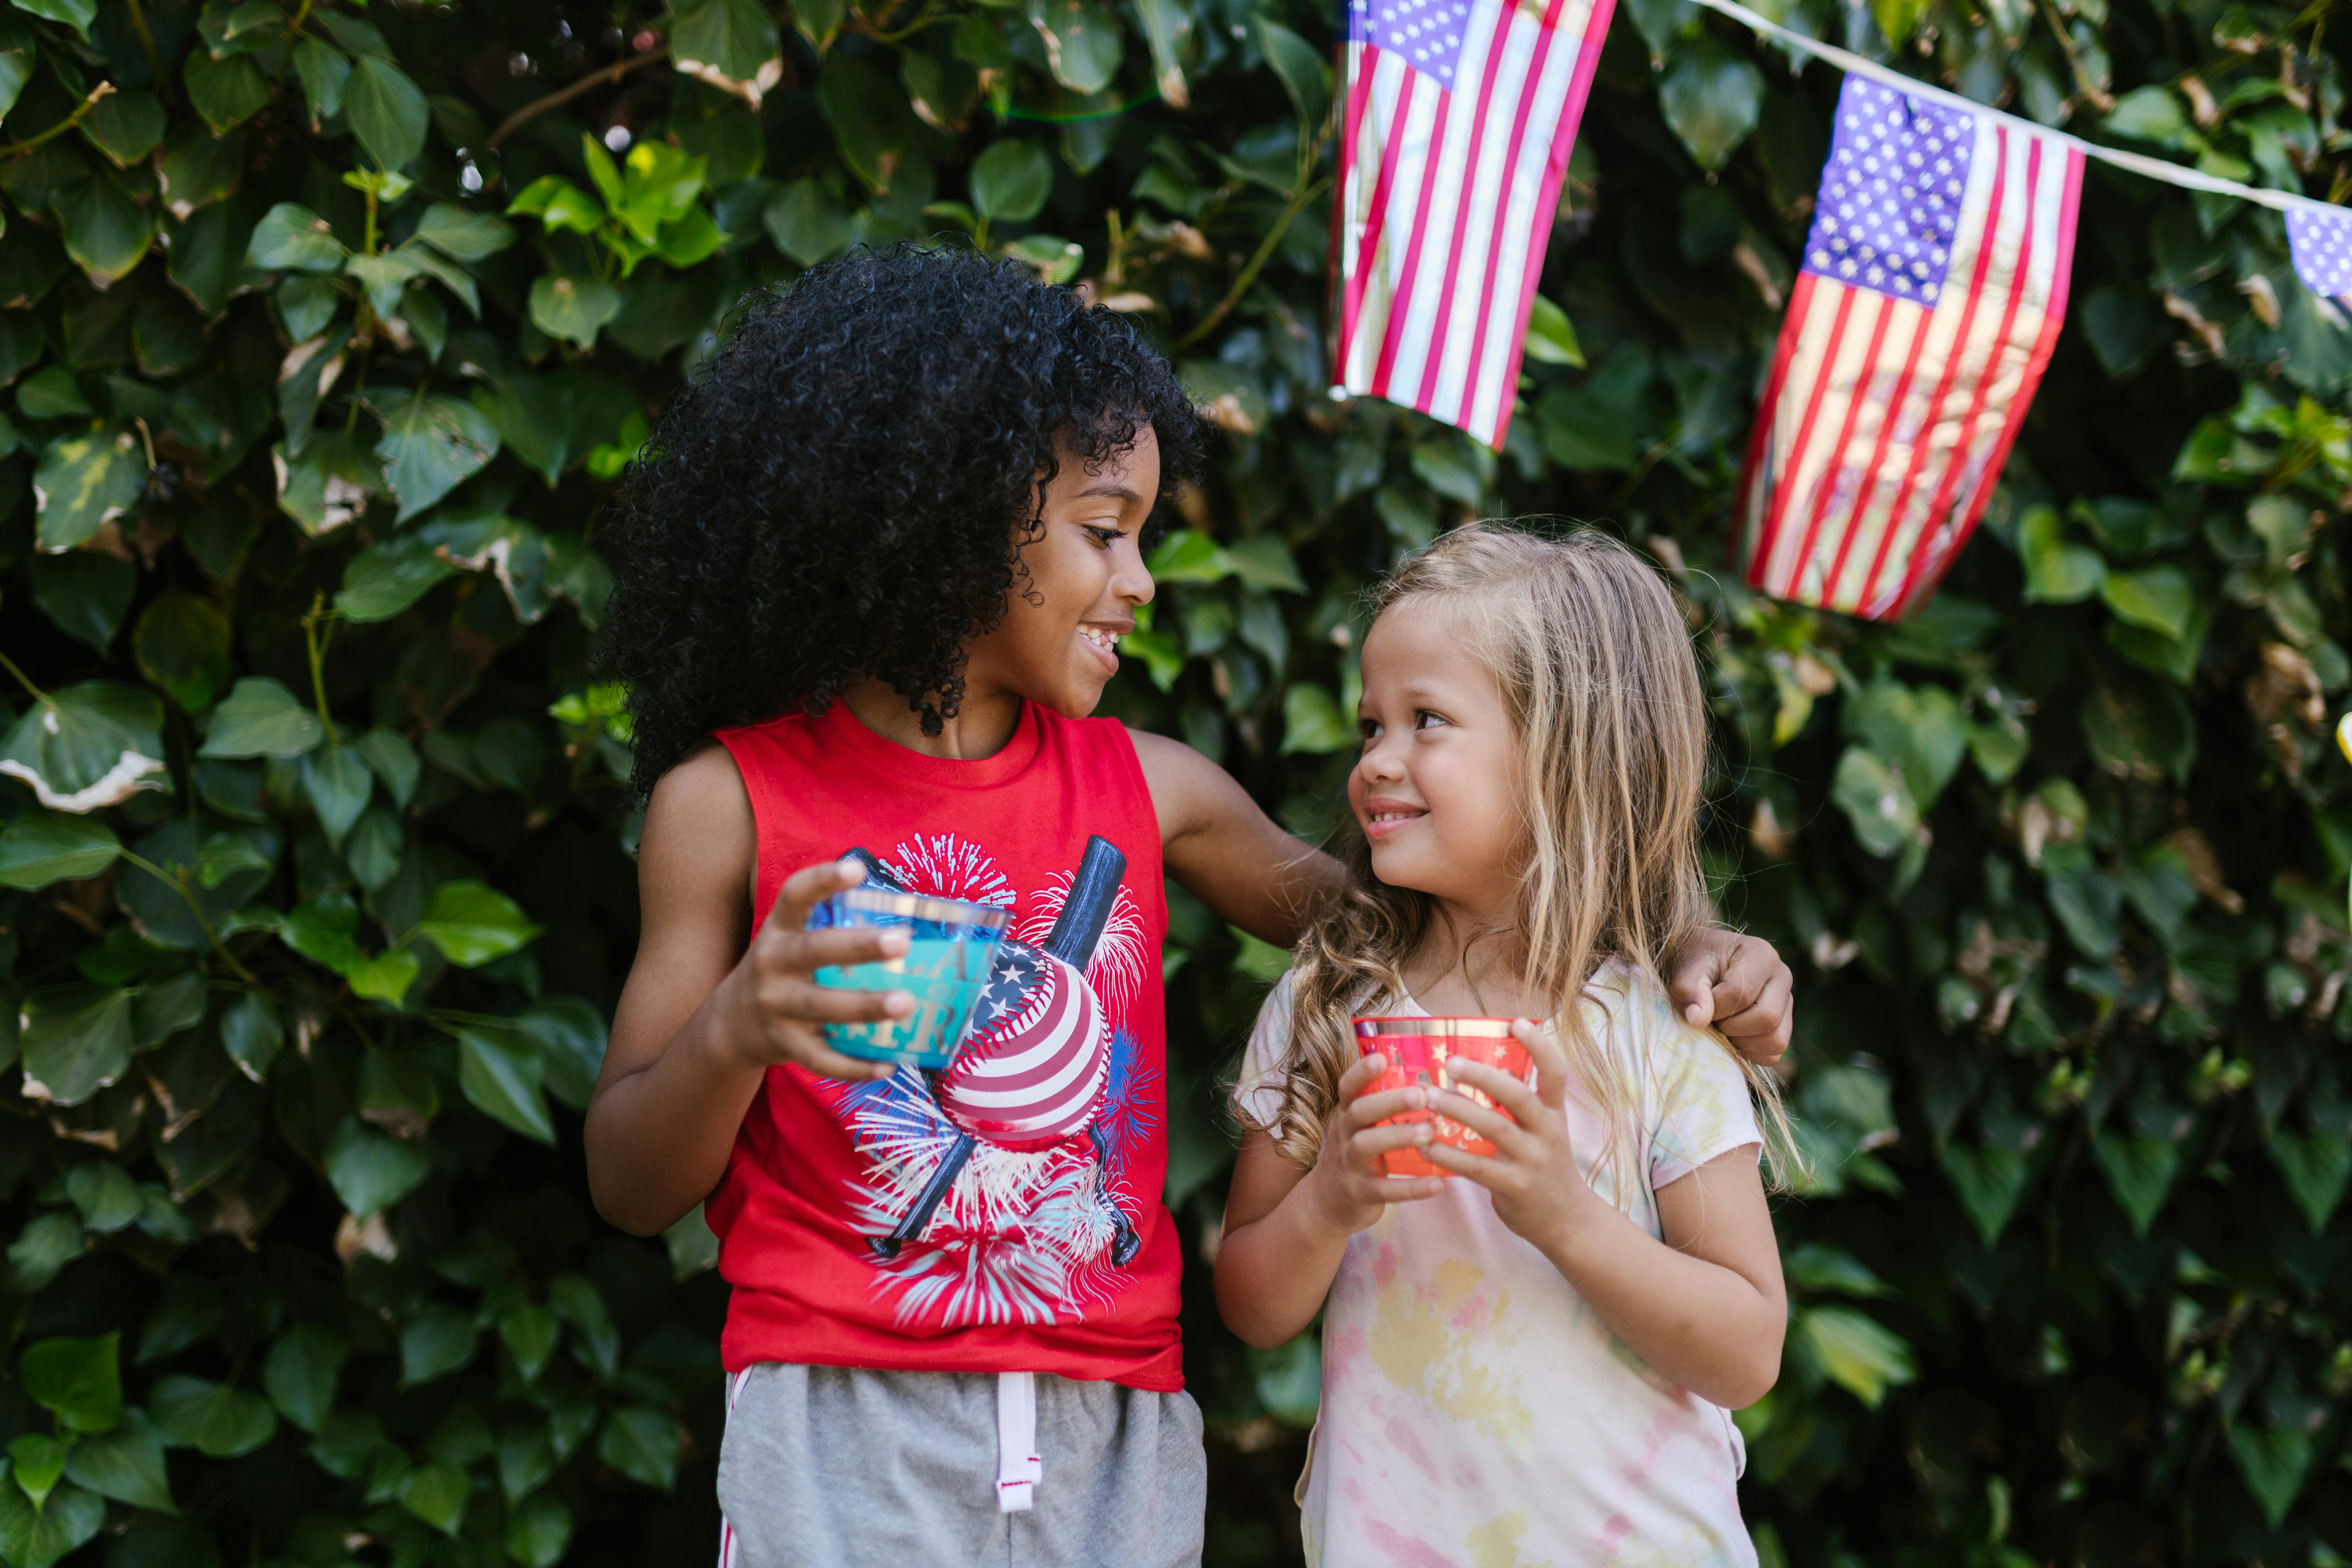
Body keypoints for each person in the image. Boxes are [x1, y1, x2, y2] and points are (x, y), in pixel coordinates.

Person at [582, 246, 1796, 1568]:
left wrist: (1678, 945)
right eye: (1106, 530)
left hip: (1116, 1424)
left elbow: (1440, 915)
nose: (1143, 578)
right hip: (841, 1408)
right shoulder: (729, 806)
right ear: (941, 516)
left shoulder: (1154, 795)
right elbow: (631, 1182)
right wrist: (739, 1029)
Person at [1216, 524, 1794, 1568]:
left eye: (1426, 721)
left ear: (1566, 753)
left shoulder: (1663, 1025)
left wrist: (1566, 1216)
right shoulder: (1329, 1004)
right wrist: (1332, 1196)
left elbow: (1748, 1348)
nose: (1376, 762)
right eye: (1368, 726)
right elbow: (1252, 1303)